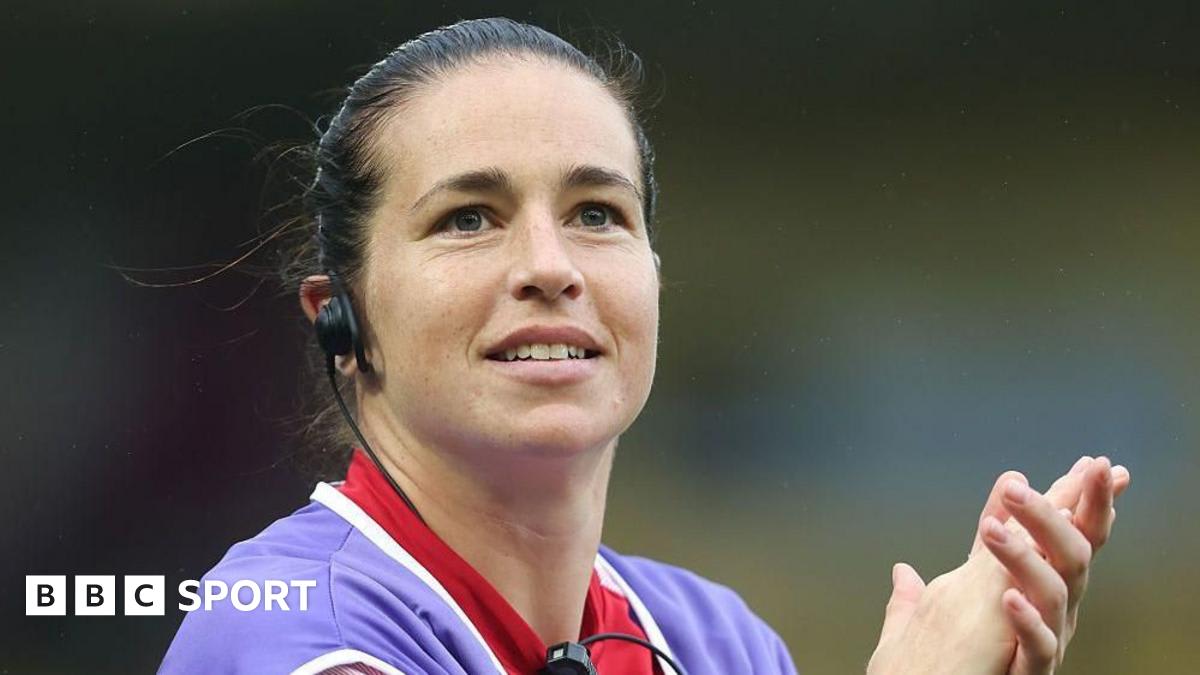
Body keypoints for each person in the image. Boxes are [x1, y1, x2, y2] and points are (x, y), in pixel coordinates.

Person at [159, 17, 1131, 675]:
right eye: (467, 218)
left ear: (653, 280)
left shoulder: (719, 643)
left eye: (596, 212)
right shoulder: (289, 627)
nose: (550, 266)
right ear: (342, 314)